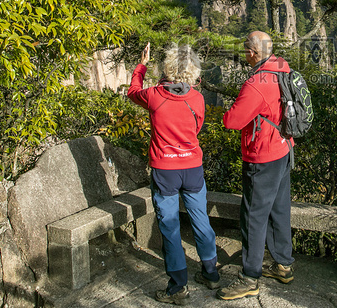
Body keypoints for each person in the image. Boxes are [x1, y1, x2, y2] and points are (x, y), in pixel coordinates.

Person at [126, 42, 220, 305]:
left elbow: (133, 91)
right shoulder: (198, 98)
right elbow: (197, 127)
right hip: (192, 168)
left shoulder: (154, 95)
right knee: (201, 219)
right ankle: (211, 273)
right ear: (194, 70)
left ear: (167, 66)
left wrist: (142, 65)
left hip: (164, 169)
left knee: (169, 226)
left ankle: (178, 286)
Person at [216, 31, 295, 301]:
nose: (243, 54)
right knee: (279, 208)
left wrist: (228, 110)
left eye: (246, 49)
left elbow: (232, 121)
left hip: (262, 155)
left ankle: (249, 277)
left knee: (253, 215)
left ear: (254, 53)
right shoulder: (282, 66)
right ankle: (283, 265)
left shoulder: (256, 84)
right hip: (284, 148)